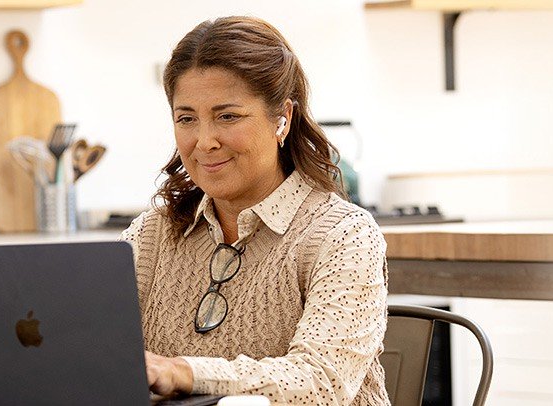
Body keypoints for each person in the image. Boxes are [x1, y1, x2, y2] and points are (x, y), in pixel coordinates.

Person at [121, 16, 390, 405]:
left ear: (283, 119)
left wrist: (183, 371)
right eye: (186, 119)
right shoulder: (153, 234)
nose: (205, 141)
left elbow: (321, 383)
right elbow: (84, 343)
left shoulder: (343, 234)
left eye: (227, 116)